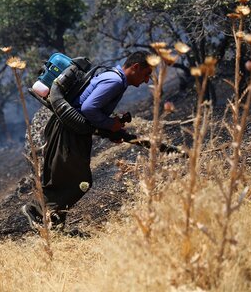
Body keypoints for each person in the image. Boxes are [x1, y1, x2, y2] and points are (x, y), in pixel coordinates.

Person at [22, 51, 153, 231]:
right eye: (147, 74)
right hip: (69, 132)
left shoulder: (113, 78)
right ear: (135, 67)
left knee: (66, 178)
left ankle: (52, 223)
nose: (147, 80)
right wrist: (110, 124)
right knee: (79, 181)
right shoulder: (114, 81)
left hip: (72, 131)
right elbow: (89, 108)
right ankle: (37, 211)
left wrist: (111, 127)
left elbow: (91, 109)